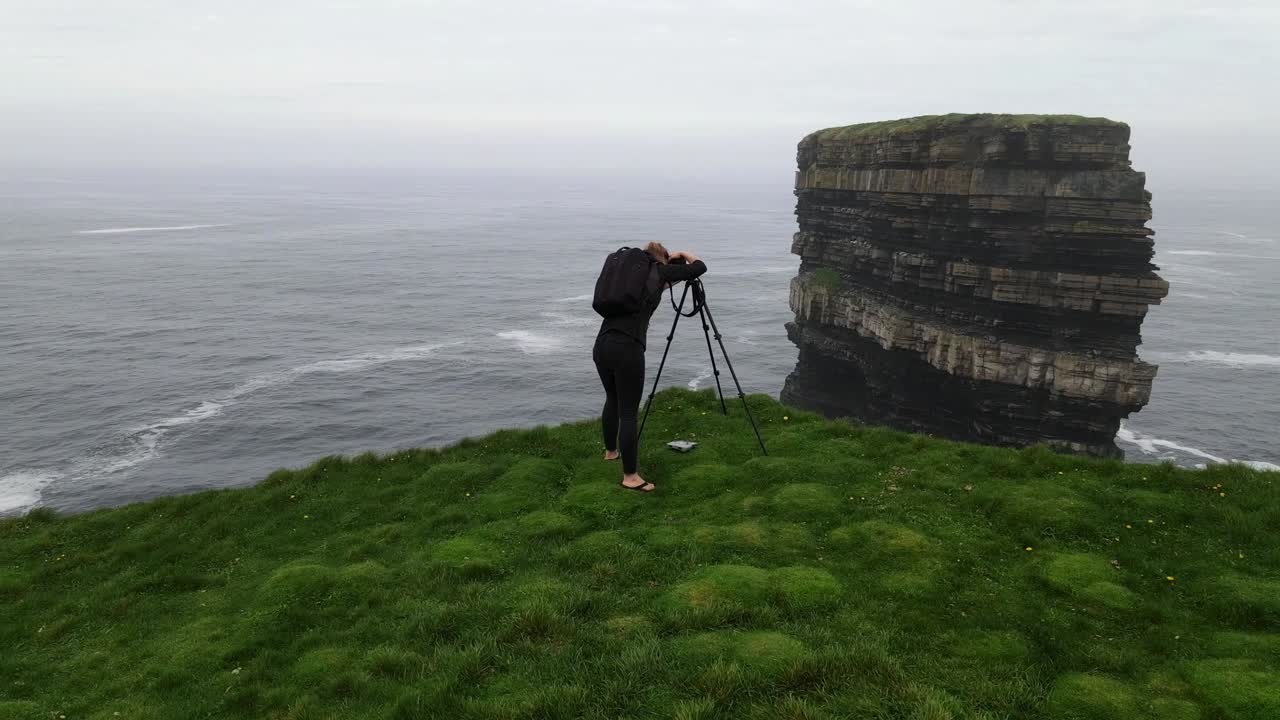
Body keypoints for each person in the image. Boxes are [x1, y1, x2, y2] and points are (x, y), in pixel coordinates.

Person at [593, 242, 707, 492]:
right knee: (629, 413)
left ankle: (611, 452)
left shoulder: (628, 277)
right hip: (628, 348)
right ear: (662, 260)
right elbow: (699, 268)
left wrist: (669, 262)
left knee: (612, 398)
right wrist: (684, 254)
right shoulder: (659, 272)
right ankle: (630, 477)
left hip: (602, 345)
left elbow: (663, 284)